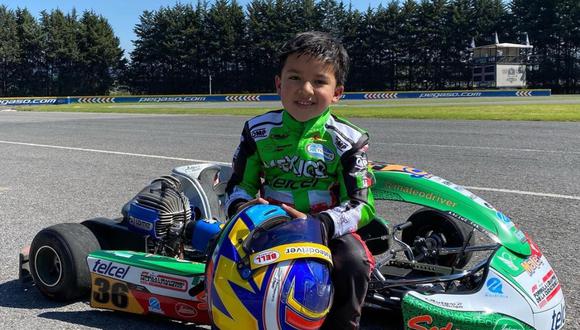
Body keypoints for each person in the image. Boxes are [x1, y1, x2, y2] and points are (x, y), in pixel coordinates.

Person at [225, 31, 375, 330]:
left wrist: (320, 224)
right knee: (221, 247)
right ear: (279, 84)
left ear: (337, 92)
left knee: (354, 261)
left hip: (326, 229)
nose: (305, 90)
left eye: (319, 81)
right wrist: (245, 209)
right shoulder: (257, 131)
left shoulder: (349, 140)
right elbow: (237, 187)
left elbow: (361, 205)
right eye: (294, 78)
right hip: (269, 224)